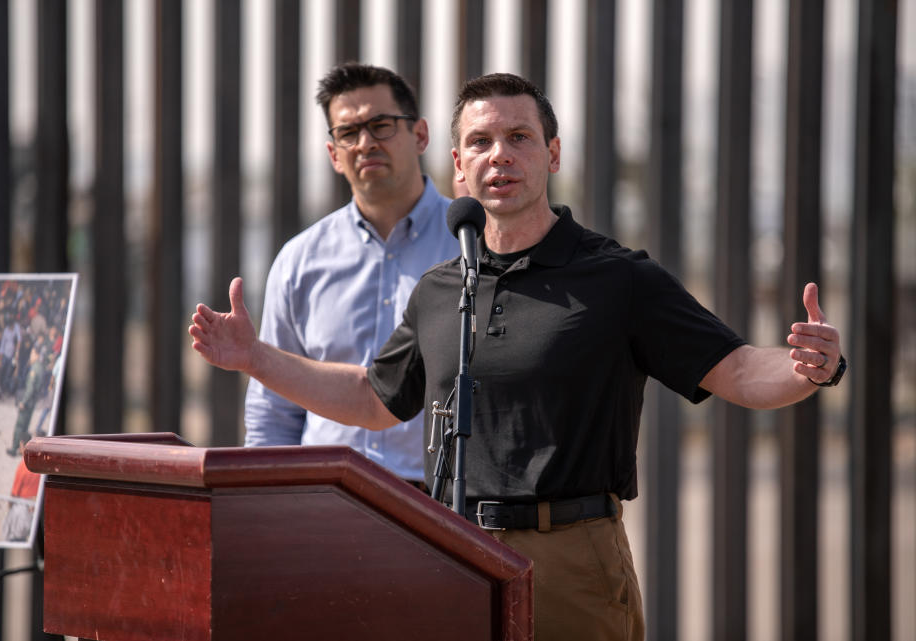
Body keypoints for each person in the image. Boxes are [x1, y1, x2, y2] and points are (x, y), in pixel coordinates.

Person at [189, 73, 846, 641]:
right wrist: (257, 357)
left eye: (519, 137)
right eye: (480, 141)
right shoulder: (443, 288)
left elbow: (733, 368)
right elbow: (371, 397)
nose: (499, 154)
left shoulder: (617, 279)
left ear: (552, 153)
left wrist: (804, 368)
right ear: (456, 167)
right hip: (452, 549)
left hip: (573, 559)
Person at [242, 62, 457, 485]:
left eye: (381, 125)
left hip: (442, 501)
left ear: (420, 135)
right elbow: (274, 408)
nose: (365, 143)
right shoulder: (300, 259)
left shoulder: (471, 243)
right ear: (333, 155)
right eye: (348, 132)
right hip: (324, 498)